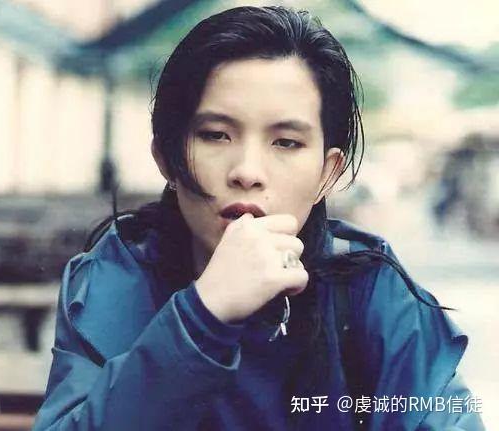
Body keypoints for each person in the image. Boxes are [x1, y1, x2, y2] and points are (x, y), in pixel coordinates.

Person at [33, 6, 484, 430]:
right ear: (167, 159)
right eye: (216, 135)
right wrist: (203, 316)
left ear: (327, 174)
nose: (247, 171)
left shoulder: (370, 292)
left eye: (286, 142)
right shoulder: (116, 279)